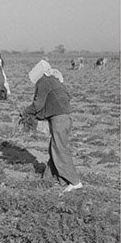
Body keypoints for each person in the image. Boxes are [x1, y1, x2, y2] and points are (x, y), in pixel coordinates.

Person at [22, 58, 83, 192]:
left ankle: (74, 181)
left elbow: (38, 104)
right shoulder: (55, 80)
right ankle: (50, 177)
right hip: (66, 118)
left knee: (59, 149)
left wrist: (26, 112)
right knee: (54, 148)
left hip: (59, 119)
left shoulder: (43, 81)